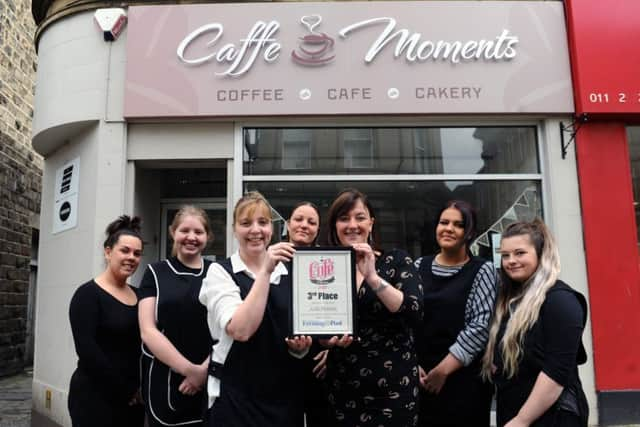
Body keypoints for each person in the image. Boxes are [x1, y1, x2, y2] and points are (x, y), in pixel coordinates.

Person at [199, 191, 311, 427]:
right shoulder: (220, 273)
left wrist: (300, 348)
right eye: (246, 223)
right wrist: (265, 272)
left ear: (272, 227)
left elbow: (297, 329)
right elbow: (241, 330)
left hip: (283, 398)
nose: (256, 231)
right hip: (235, 399)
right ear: (234, 229)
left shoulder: (293, 272)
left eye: (263, 222)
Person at [324, 188, 423, 427]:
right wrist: (325, 341)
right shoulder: (326, 268)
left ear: (371, 223)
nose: (352, 225)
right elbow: (320, 320)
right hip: (343, 384)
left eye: (360, 217)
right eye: (344, 218)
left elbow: (414, 311)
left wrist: (372, 277)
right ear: (335, 226)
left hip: (393, 386)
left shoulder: (396, 260)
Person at [482, 219, 589, 427]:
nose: (511, 261)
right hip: (514, 412)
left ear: (540, 254)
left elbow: (556, 374)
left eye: (520, 253)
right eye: (505, 255)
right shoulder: (510, 300)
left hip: (552, 417)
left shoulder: (561, 301)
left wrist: (522, 420)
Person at [415, 200, 497, 426]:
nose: (449, 229)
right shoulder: (418, 266)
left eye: (458, 225)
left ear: (469, 232)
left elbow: (480, 327)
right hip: (420, 379)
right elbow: (406, 321)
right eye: (444, 222)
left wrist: (442, 371)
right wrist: (413, 365)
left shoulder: (483, 271)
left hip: (464, 381)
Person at [138, 206, 214, 426]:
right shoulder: (155, 272)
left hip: (209, 378)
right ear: (173, 232)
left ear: (207, 236)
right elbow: (148, 330)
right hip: (165, 380)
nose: (191, 237)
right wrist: (190, 371)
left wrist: (204, 371)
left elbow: (227, 329)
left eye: (199, 232)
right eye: (184, 230)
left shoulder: (217, 272)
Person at [68, 215, 145, 427]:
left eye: (137, 253)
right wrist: (126, 390)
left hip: (133, 401)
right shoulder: (87, 295)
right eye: (125, 250)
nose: (132, 257)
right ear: (108, 251)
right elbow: (87, 351)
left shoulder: (140, 296)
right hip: (95, 397)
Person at [286, 201, 330, 427]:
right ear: (287, 224)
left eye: (311, 222)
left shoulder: (329, 262)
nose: (304, 225)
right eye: (298, 219)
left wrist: (333, 350)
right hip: (280, 359)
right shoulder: (272, 259)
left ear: (318, 230)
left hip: (319, 360)